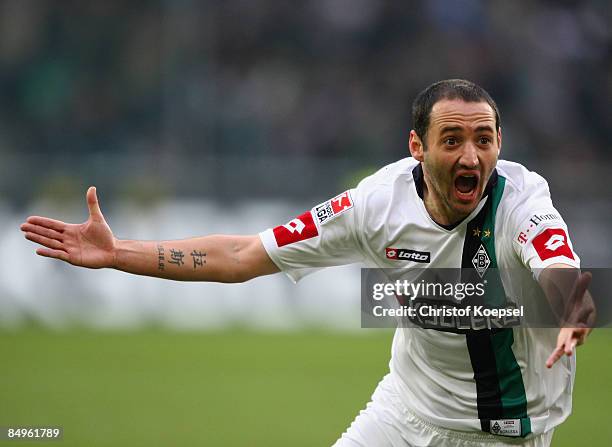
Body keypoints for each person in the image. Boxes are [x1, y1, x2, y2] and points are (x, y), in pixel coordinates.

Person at [21, 79, 593, 446]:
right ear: (416, 147)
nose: (471, 155)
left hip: (502, 434)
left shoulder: (521, 200)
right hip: (403, 415)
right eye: (451, 140)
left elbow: (555, 262)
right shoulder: (373, 204)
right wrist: (118, 253)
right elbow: (245, 254)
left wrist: (570, 306)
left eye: (484, 139)